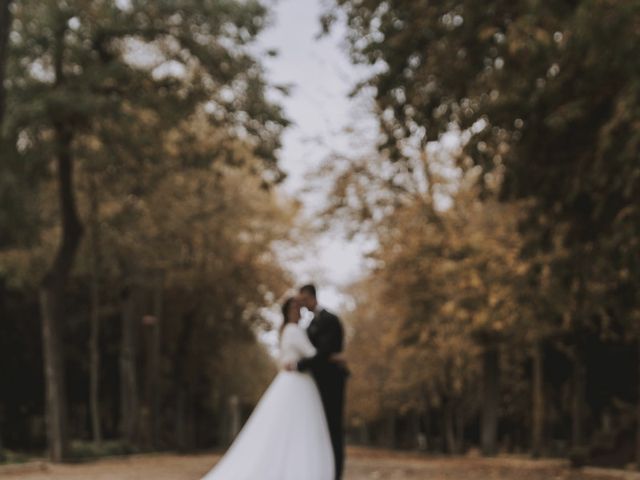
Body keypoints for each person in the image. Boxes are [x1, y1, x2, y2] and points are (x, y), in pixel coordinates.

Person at [201, 297, 335, 480]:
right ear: (288, 312)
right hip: (298, 382)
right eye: (295, 308)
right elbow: (311, 354)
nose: (299, 312)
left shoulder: (286, 330)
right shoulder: (294, 330)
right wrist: (333, 356)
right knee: (297, 426)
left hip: (291, 380)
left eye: (299, 308)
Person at [294, 284, 348, 480]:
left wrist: (299, 365)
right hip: (317, 381)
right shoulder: (311, 324)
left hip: (332, 380)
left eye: (303, 300)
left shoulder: (329, 319)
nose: (301, 305)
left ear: (310, 297)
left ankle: (336, 473)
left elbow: (325, 351)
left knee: (334, 426)